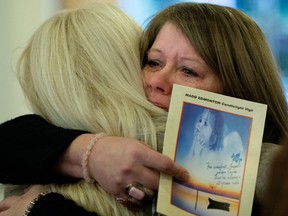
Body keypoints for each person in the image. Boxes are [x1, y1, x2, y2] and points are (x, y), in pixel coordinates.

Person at [1, 2, 288, 215]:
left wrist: (39, 208)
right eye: (153, 62)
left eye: (188, 71)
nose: (157, 81)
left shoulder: (263, 169)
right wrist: (91, 152)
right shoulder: (106, 137)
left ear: (237, 92)